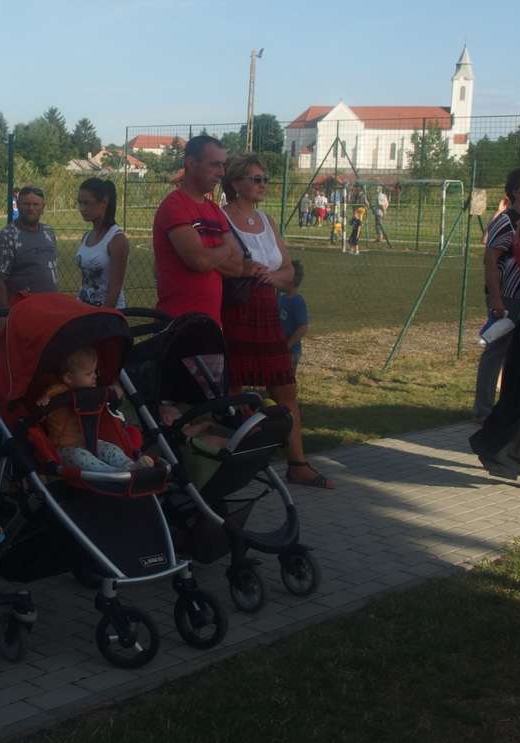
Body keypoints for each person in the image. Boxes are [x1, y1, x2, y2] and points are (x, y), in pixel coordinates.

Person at [222, 154, 332, 488]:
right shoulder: (221, 218)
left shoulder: (267, 220)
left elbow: (288, 272)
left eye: (265, 179)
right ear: (236, 183)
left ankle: (297, 463)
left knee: (286, 388)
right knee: (232, 388)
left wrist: (269, 277)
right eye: (256, 179)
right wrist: (252, 272)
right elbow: (223, 266)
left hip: (268, 314)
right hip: (236, 312)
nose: (263, 185)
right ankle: (230, 462)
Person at [152, 135, 245, 328]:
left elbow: (237, 266)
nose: (222, 172)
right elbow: (199, 261)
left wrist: (208, 256)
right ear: (191, 163)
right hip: (177, 326)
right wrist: (225, 250)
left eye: (223, 165)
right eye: (215, 164)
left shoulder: (214, 210)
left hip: (211, 325)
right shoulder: (174, 205)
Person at [473, 166, 520, 421]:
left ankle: (510, 407)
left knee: (519, 354)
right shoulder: (506, 221)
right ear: (516, 192)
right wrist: (496, 299)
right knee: (496, 351)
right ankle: (484, 410)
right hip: (507, 296)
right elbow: (491, 259)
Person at [36, 347, 154, 473]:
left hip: (89, 442)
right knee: (81, 457)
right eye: (89, 374)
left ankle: (130, 465)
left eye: (95, 371)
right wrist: (44, 400)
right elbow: (43, 405)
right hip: (64, 448)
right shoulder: (57, 391)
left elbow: (108, 392)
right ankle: (113, 472)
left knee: (110, 449)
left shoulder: (91, 389)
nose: (95, 377)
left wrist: (115, 390)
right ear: (69, 378)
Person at [0, 186, 58, 311]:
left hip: (50, 306)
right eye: (26, 204)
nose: (31, 208)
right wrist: (4, 313)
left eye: (35, 204)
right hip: (23, 310)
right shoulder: (7, 236)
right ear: (18, 205)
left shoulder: (48, 232)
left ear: (43, 207)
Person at [75, 178, 128, 309]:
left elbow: (114, 289)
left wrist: (102, 316)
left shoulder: (117, 239)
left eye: (87, 203)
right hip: (85, 308)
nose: (82, 208)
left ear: (104, 202)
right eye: (80, 203)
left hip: (107, 312)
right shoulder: (87, 237)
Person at [279, 260, 309, 374]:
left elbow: (303, 328)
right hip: (279, 347)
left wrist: (287, 346)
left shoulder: (297, 302)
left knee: (287, 379)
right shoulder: (280, 298)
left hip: (291, 351)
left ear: (291, 280)